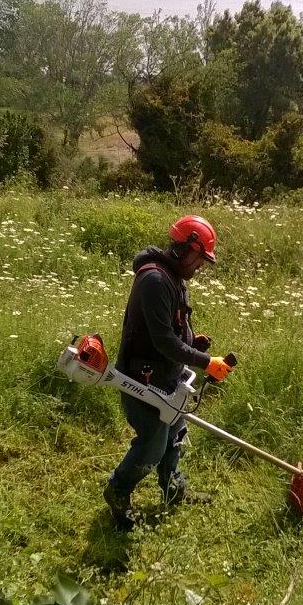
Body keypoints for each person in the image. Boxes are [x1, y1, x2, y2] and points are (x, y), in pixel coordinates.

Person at [103, 214, 234, 528]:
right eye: (199, 259)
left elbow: (171, 329)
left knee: (175, 434)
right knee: (152, 443)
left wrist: (193, 341)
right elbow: (162, 341)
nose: (200, 267)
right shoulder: (155, 280)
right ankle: (118, 492)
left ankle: (173, 490)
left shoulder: (173, 277)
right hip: (142, 379)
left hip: (168, 376)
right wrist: (206, 362)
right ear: (185, 248)